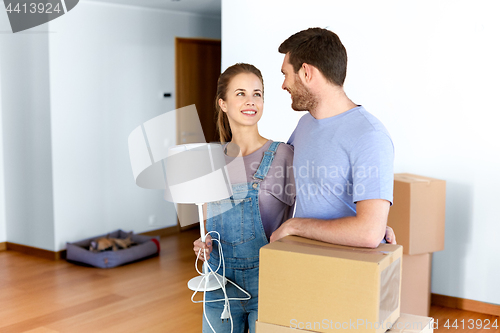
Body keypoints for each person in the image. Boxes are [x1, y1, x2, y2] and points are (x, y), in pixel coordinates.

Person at [192, 63, 295, 333]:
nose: (251, 101)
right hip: (218, 283)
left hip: (269, 282)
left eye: (257, 94)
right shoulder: (210, 162)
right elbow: (208, 227)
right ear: (223, 103)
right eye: (240, 94)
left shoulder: (283, 155)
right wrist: (203, 243)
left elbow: (311, 211)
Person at [270, 27, 397, 247]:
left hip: (345, 271)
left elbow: (367, 233)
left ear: (307, 73)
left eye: (286, 74)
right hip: (307, 260)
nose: (283, 85)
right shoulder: (305, 125)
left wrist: (295, 226)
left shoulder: (369, 136)